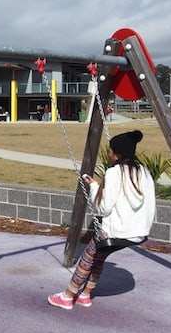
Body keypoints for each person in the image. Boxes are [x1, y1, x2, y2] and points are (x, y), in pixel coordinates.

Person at [48, 130, 156, 310]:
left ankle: (68, 296)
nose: (108, 153)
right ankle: (85, 294)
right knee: (100, 256)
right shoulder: (144, 172)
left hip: (116, 232)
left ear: (117, 155)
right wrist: (96, 185)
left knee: (89, 256)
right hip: (139, 232)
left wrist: (93, 189)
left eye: (110, 150)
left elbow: (103, 207)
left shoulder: (114, 173)